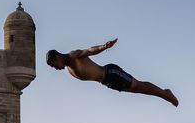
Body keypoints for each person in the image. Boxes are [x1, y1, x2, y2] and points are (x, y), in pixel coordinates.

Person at [46, 39, 179, 106]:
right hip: (107, 81)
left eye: (54, 65)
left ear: (57, 57)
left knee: (139, 86)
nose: (55, 69)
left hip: (110, 73)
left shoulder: (72, 56)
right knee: (138, 89)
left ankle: (165, 94)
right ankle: (164, 94)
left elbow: (89, 51)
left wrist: (104, 46)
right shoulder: (69, 68)